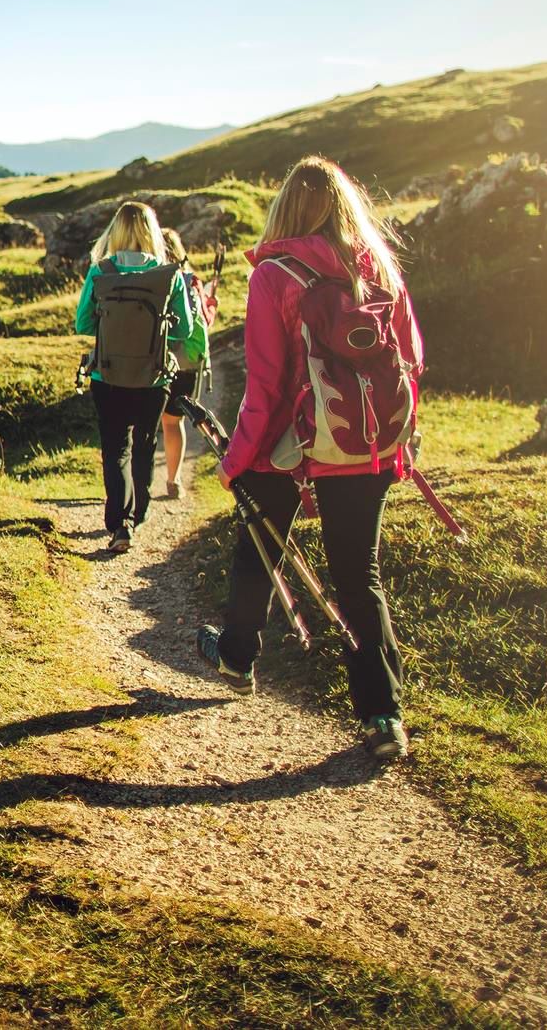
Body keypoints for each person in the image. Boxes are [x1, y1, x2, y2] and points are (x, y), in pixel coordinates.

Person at [196, 156, 423, 762]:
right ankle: (383, 716)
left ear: (285, 210)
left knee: (259, 552)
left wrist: (237, 458)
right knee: (358, 577)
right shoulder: (378, 269)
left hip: (288, 447)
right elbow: (412, 360)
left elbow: (266, 386)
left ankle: (238, 658)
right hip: (365, 446)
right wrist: (395, 444)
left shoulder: (274, 274)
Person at [74, 201, 204, 554]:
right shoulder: (170, 274)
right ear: (151, 231)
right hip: (153, 378)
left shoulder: (100, 271)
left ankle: (119, 523)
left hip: (108, 375)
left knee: (116, 448)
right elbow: (185, 330)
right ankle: (140, 512)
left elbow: (82, 323)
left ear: (115, 232)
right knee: (145, 444)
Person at [158, 226, 216, 500]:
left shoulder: (159, 279)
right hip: (188, 361)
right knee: (173, 421)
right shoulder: (192, 280)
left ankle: (140, 483)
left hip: (162, 359)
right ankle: (174, 479)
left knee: (150, 423)